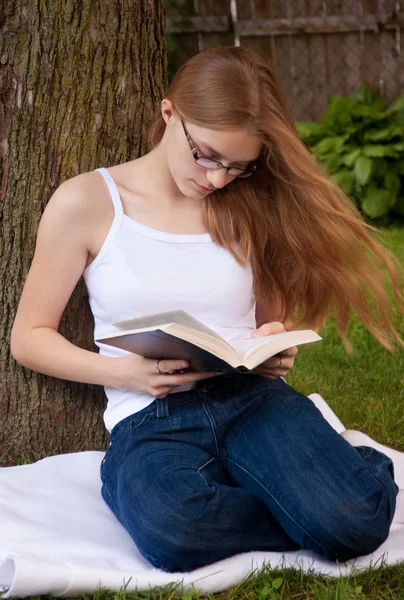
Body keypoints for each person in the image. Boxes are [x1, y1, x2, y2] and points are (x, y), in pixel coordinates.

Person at [10, 46, 403, 573]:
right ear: (170, 114)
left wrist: (273, 343)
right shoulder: (87, 202)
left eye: (239, 167)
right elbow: (29, 336)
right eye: (207, 155)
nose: (217, 179)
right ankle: (309, 500)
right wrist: (122, 371)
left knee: (353, 523)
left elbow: (270, 318)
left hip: (254, 399)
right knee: (175, 531)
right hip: (151, 417)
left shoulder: (249, 205)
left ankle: (341, 491)